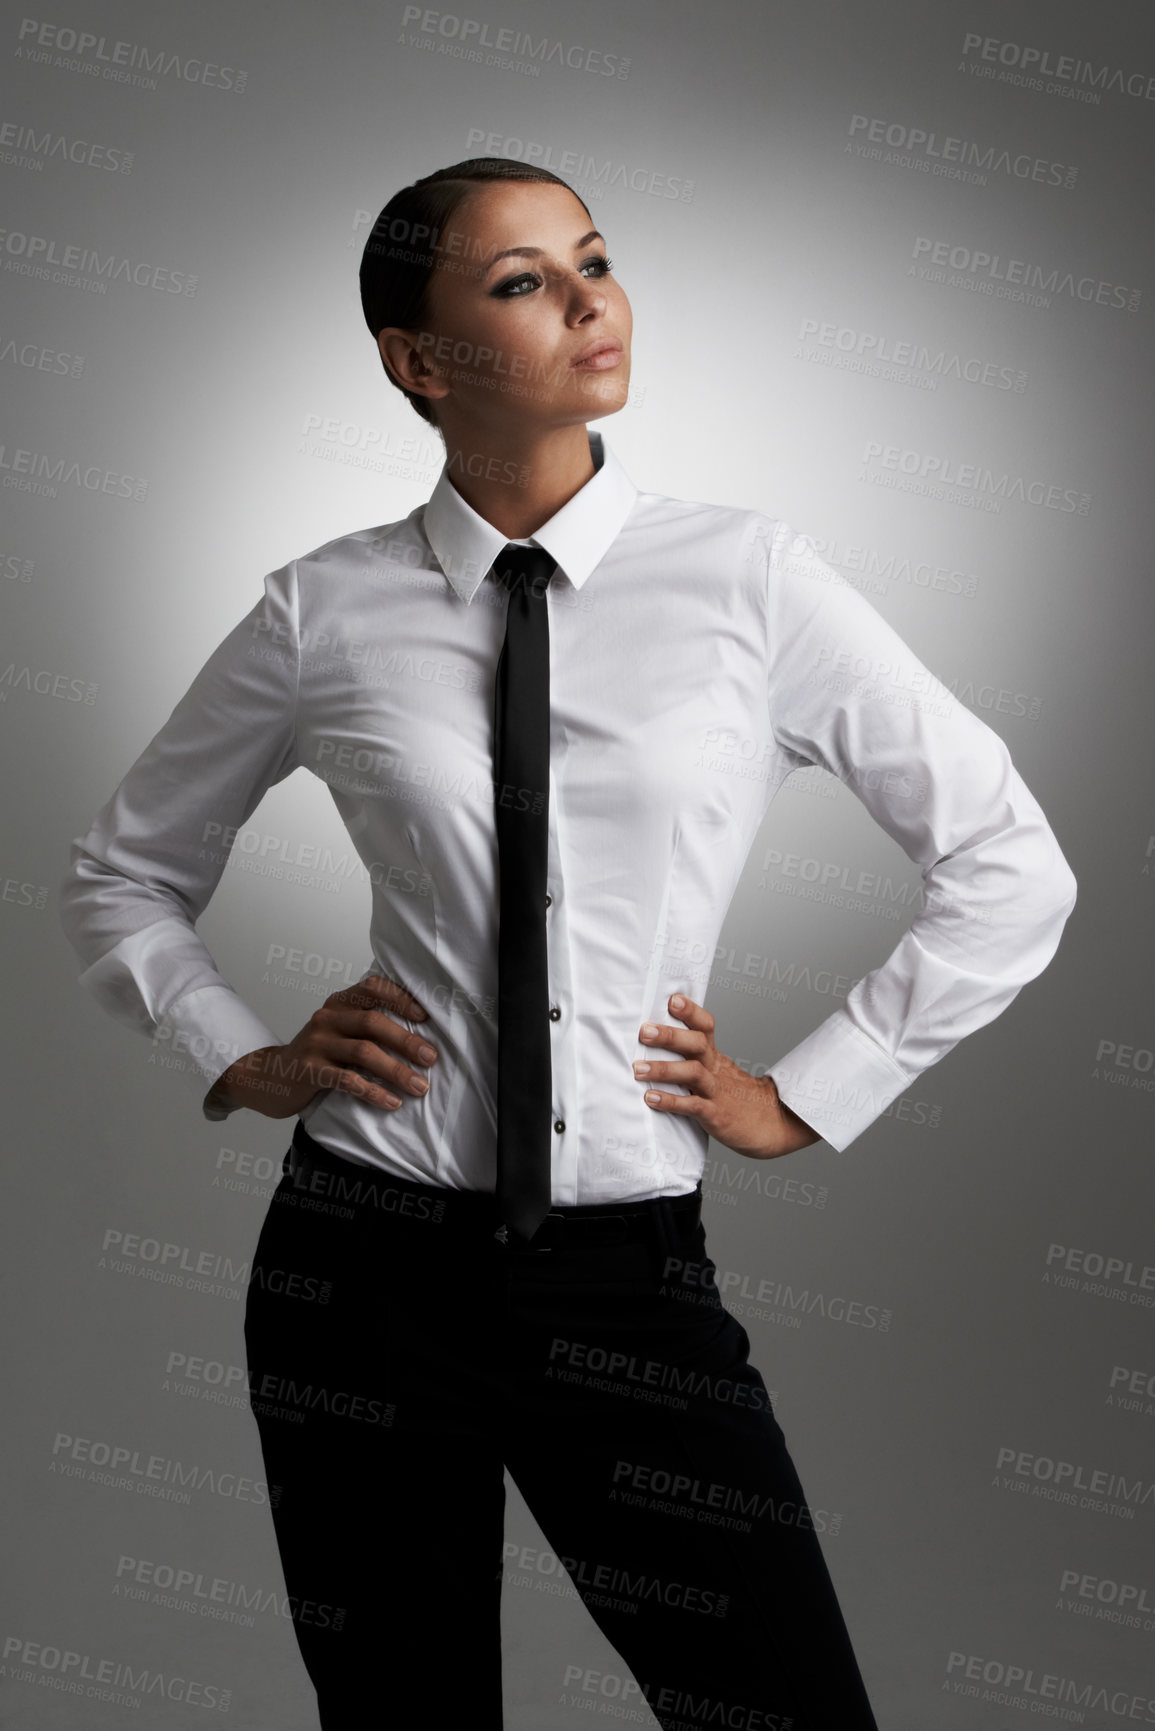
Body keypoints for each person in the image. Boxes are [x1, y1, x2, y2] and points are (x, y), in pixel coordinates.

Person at [59, 156, 1078, 1730]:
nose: (590, 298)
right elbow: (121, 875)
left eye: (594, 259)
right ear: (419, 360)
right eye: (522, 281)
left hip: (628, 1288)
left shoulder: (751, 580)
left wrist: (812, 1089)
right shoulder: (321, 610)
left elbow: (1010, 861)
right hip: (360, 1274)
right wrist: (240, 1055)